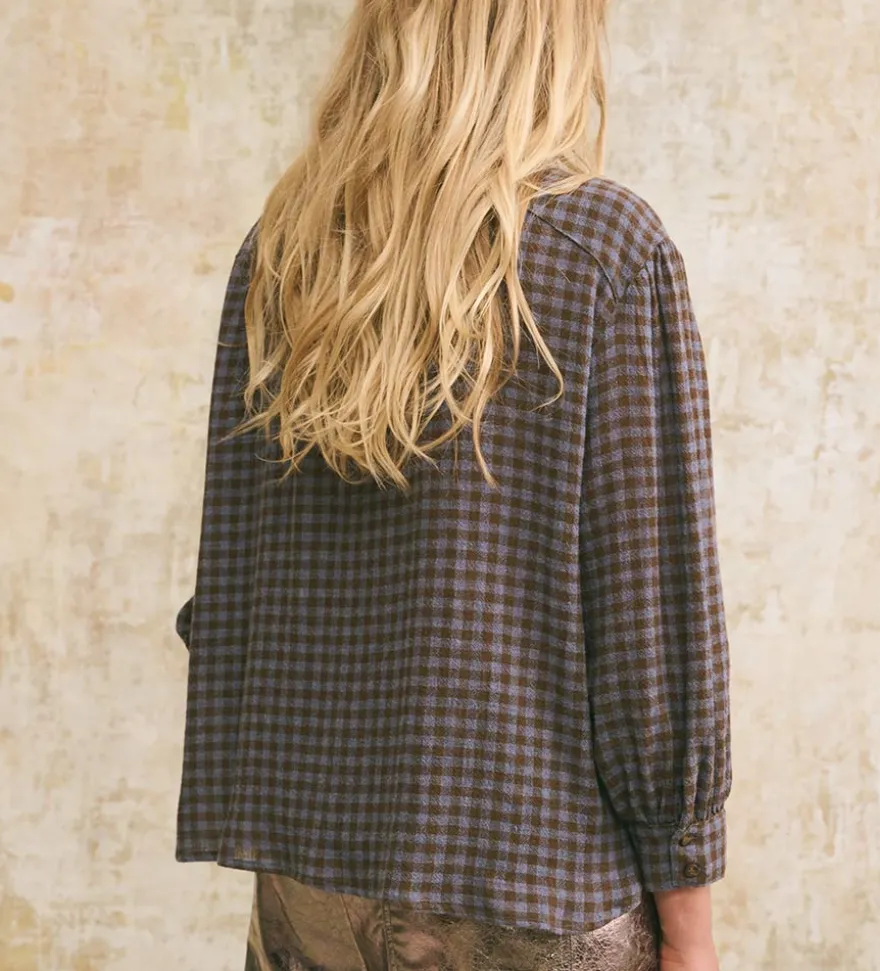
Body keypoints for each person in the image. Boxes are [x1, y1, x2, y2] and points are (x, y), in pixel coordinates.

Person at [174, 1, 732, 969]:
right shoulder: (604, 252)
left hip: (311, 884)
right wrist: (690, 934)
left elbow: (231, 590)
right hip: (532, 879)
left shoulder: (283, 253)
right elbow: (650, 642)